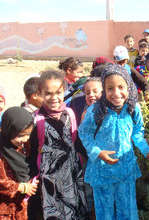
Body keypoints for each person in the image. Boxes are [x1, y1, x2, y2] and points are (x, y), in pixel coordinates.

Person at [78, 64, 149, 219]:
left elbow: (137, 133)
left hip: (125, 169)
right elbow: (84, 132)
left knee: (127, 208)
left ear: (129, 87)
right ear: (104, 90)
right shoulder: (95, 110)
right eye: (110, 88)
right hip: (102, 170)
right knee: (104, 211)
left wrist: (146, 149)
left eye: (121, 87)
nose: (116, 93)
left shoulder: (133, 109)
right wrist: (97, 152)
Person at [28, 70, 88, 220]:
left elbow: (76, 142)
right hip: (49, 180)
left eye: (58, 92)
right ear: (40, 93)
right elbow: (31, 152)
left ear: (64, 91)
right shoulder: (35, 120)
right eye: (48, 93)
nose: (54, 98)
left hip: (71, 175)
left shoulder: (69, 114)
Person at [0, 107, 39, 220]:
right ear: (9, 131)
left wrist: (31, 181)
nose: (25, 139)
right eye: (21, 135)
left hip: (24, 205)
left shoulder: (24, 146)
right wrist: (20, 187)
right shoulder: (2, 151)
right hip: (6, 209)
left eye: (28, 134)